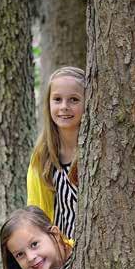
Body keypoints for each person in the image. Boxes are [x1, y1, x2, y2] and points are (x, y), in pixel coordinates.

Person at [27, 66, 85, 241]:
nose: (64, 107)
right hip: (56, 257)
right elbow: (35, 214)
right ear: (48, 103)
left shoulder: (97, 152)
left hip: (92, 252)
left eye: (74, 100)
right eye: (57, 99)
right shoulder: (42, 156)